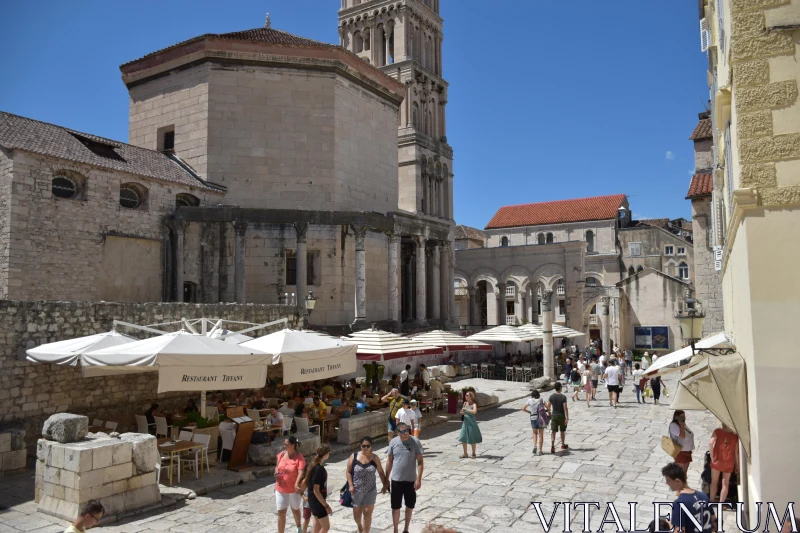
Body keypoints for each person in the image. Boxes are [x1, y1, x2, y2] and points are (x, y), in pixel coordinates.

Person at [385, 422, 424, 533]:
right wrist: (386, 478)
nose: (406, 433)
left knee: (409, 505)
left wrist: (419, 479)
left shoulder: (415, 441)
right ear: (398, 433)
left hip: (411, 480)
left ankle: (406, 529)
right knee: (395, 506)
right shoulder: (393, 442)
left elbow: (420, 461)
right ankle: (396, 530)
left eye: (407, 430)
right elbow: (389, 461)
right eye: (403, 431)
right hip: (396, 480)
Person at [346, 436, 388, 533]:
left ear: (371, 446)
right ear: (360, 446)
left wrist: (385, 485)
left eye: (367, 446)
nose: (365, 448)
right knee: (356, 516)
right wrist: (351, 485)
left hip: (370, 490)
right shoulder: (354, 456)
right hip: (356, 490)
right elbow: (348, 472)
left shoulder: (375, 458)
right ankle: (359, 526)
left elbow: (381, 473)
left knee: (368, 514)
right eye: (363, 446)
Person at [661, 462, 713, 533]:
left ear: (677, 481)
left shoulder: (679, 503)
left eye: (668, 481)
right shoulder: (704, 496)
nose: (666, 483)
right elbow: (714, 521)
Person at [274, 436, 306, 533]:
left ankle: (299, 527)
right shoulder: (281, 454)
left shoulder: (299, 458)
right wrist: (276, 473)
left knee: (295, 509)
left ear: (293, 445)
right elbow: (277, 466)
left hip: (293, 489)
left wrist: (296, 484)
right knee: (281, 512)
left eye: (286, 444)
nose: (284, 446)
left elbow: (301, 473)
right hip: (280, 488)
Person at [303, 444, 332, 533]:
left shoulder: (315, 466)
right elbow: (316, 490)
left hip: (313, 501)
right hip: (317, 502)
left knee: (317, 527)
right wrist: (326, 506)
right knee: (326, 527)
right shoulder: (318, 469)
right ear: (326, 454)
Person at [709, 424, 739, 503]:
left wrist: (712, 457)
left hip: (717, 460)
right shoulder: (735, 436)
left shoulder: (717, 431)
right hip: (729, 462)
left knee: (714, 481)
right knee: (725, 483)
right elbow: (736, 453)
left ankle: (711, 500)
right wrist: (737, 465)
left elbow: (710, 443)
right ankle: (721, 503)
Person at [521, 390, 547, 455]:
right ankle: (540, 451)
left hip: (533, 418)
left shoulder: (529, 400)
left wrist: (529, 412)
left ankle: (535, 446)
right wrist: (544, 411)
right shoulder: (541, 400)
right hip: (540, 418)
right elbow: (548, 408)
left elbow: (523, 408)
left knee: (535, 433)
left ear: (532, 395)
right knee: (541, 435)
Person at [458, 391, 482, 458]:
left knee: (472, 438)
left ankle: (473, 453)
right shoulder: (465, 403)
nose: (465, 396)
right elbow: (461, 412)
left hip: (471, 423)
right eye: (465, 395)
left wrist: (467, 410)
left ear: (471, 397)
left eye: (467, 395)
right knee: (463, 437)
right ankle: (465, 454)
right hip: (465, 423)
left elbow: (474, 412)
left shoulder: (474, 404)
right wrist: (462, 411)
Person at [546, 382, 569, 454]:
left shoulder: (551, 396)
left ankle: (552, 446)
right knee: (562, 431)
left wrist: (549, 413)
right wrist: (567, 418)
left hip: (554, 416)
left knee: (553, 432)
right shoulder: (563, 397)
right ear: (560, 388)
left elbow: (548, 407)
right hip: (561, 416)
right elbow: (565, 408)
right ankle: (562, 444)